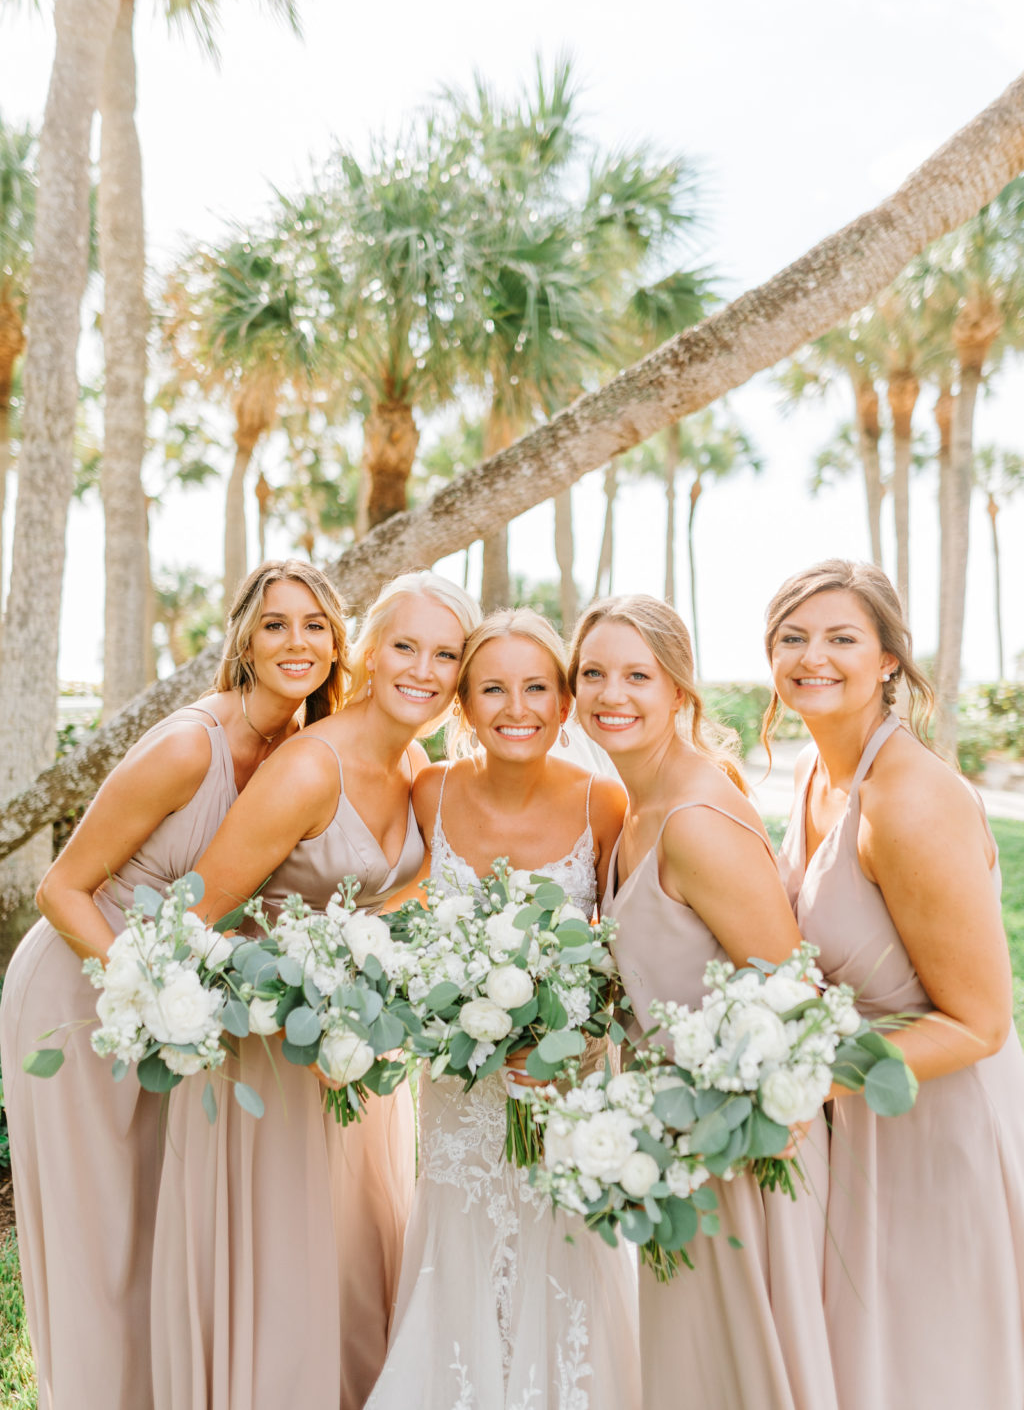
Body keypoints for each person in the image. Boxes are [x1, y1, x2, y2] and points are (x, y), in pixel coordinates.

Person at [0, 558, 346, 1410]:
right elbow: (61, 888)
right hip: (81, 988)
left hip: (177, 1008)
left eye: (315, 624)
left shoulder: (300, 752)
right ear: (244, 641)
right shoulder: (191, 745)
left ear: (340, 644)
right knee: (100, 1230)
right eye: (276, 624)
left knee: (161, 1222)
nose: (296, 641)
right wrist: (147, 994)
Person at [150, 570, 480, 1410]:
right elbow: (194, 919)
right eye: (406, 646)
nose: (424, 668)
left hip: (357, 1054)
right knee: (289, 1270)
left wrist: (373, 985)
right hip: (271, 1055)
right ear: (367, 653)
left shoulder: (414, 763)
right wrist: (300, 1004)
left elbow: (391, 896)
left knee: (354, 1260)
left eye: (446, 654)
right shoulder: (305, 768)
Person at [766, 558, 1024, 1410]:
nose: (814, 656)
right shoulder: (817, 774)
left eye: (843, 638)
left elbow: (982, 1022)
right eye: (794, 638)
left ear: (887, 661)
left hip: (937, 1128)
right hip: (862, 1121)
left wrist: (799, 1079)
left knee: (933, 1367)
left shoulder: (909, 800)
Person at [366, 606, 639, 1410]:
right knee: (461, 1234)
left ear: (564, 704)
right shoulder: (431, 790)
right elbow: (397, 919)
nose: (515, 709)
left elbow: (623, 951)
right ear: (463, 702)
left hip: (563, 1081)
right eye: (492, 689)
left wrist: (569, 1028)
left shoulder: (603, 802)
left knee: (563, 1240)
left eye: (535, 689)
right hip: (461, 1085)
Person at [570, 594, 837, 1410]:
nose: (612, 694)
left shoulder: (695, 818)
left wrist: (732, 1127)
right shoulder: (632, 809)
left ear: (679, 691)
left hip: (744, 1152)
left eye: (637, 676)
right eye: (593, 674)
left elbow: (795, 998)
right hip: (671, 1144)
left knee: (743, 1372)